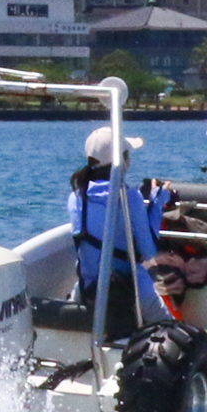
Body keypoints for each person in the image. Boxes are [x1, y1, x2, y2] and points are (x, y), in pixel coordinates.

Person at [69, 126, 174, 329]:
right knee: (172, 330)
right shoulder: (129, 197)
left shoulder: (75, 197)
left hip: (87, 291)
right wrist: (158, 202)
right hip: (130, 290)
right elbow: (149, 252)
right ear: (122, 162)